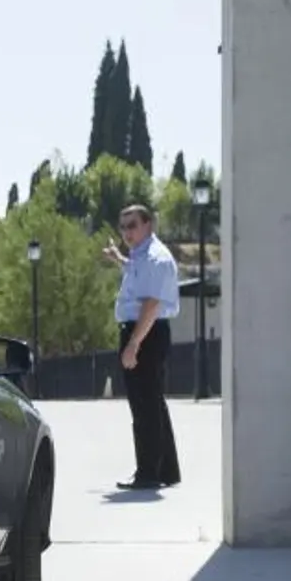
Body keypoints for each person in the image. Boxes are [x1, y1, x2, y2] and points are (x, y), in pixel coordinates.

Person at [102, 205, 181, 489]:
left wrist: (133, 344)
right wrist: (118, 259)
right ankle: (165, 471)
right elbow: (137, 274)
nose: (126, 232)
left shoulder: (155, 258)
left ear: (148, 225)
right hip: (146, 331)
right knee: (153, 403)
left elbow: (151, 304)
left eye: (132, 225)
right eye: (123, 227)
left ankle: (148, 473)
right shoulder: (141, 256)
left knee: (144, 406)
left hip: (145, 332)